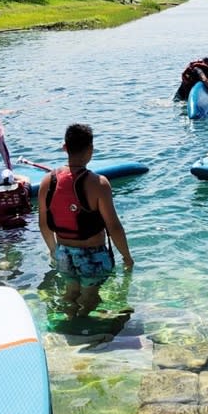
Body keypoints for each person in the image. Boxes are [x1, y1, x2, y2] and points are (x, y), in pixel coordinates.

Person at [38, 124, 134, 318]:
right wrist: (126, 257)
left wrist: (53, 251)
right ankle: (84, 332)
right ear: (90, 150)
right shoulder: (98, 183)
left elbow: (43, 223)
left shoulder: (47, 181)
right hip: (92, 256)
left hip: (64, 254)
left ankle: (65, 326)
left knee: (71, 293)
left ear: (65, 147)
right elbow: (113, 227)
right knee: (91, 297)